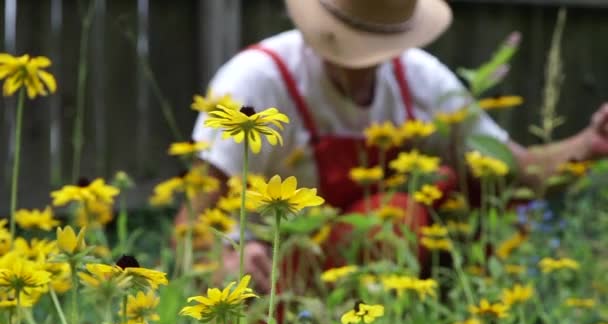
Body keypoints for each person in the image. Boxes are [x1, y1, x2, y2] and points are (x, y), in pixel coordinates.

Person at [179, 0, 608, 292]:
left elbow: (513, 171)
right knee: (397, 217)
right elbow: (193, 219)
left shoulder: (423, 81)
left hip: (397, 291)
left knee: (439, 197)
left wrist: (589, 143)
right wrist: (226, 256)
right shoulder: (258, 81)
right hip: (275, 286)